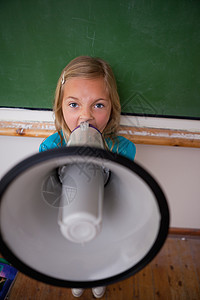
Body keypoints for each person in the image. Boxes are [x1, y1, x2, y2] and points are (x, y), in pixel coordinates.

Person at [39, 56, 136, 298]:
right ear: (60, 105)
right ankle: (78, 273)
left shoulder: (123, 149)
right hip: (69, 217)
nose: (85, 117)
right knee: (74, 249)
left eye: (98, 105)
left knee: (102, 249)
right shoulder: (50, 148)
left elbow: (123, 192)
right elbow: (49, 193)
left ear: (112, 106)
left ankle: (99, 275)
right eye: (74, 104)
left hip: (106, 218)